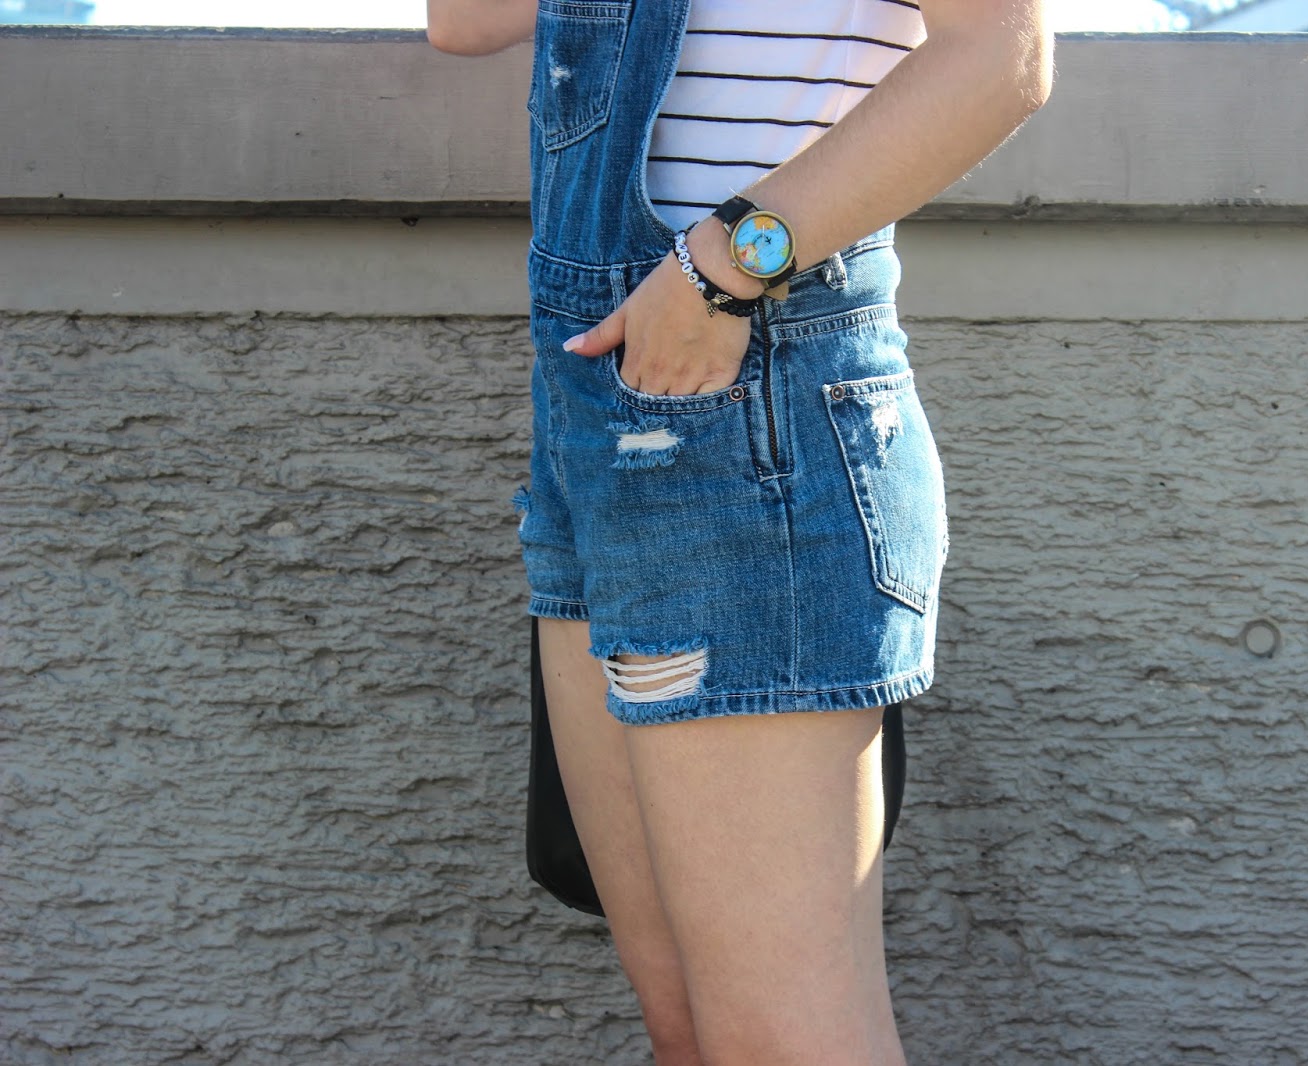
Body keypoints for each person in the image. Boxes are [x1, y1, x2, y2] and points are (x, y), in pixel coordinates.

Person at [426, 2, 1052, 1062]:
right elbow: (463, 20)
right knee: (689, 1030)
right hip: (595, 404)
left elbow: (1005, 56)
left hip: (756, 385)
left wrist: (725, 267)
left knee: (781, 1044)